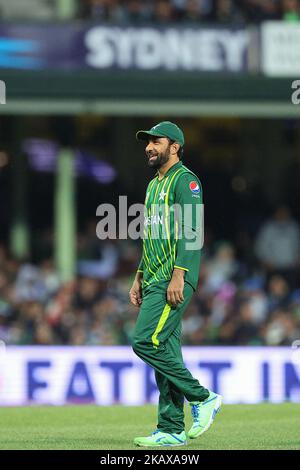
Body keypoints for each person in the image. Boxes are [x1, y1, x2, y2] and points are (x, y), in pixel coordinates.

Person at [129, 121, 222, 447]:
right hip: (154, 277)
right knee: (165, 350)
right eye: (148, 142)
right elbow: (152, 236)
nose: (149, 147)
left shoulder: (186, 181)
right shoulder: (154, 185)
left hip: (172, 279)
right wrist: (139, 276)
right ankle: (170, 429)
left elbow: (192, 231)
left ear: (175, 147)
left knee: (144, 341)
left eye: (157, 141)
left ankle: (203, 397)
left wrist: (180, 274)